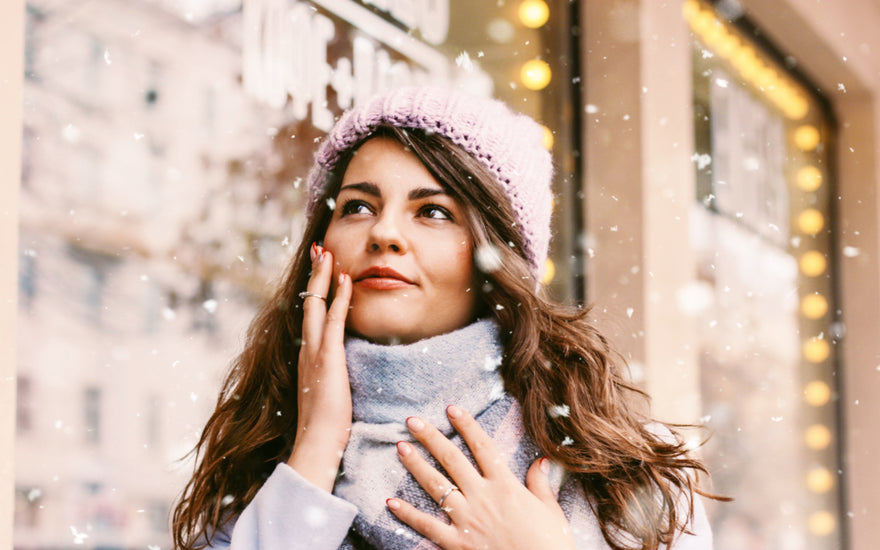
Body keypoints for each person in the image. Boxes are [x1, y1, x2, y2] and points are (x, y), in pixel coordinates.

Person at [171, 86, 718, 550]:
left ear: (492, 258)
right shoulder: (263, 468)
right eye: (358, 206)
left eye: (433, 211)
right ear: (322, 244)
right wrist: (316, 447)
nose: (384, 234)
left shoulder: (617, 469)